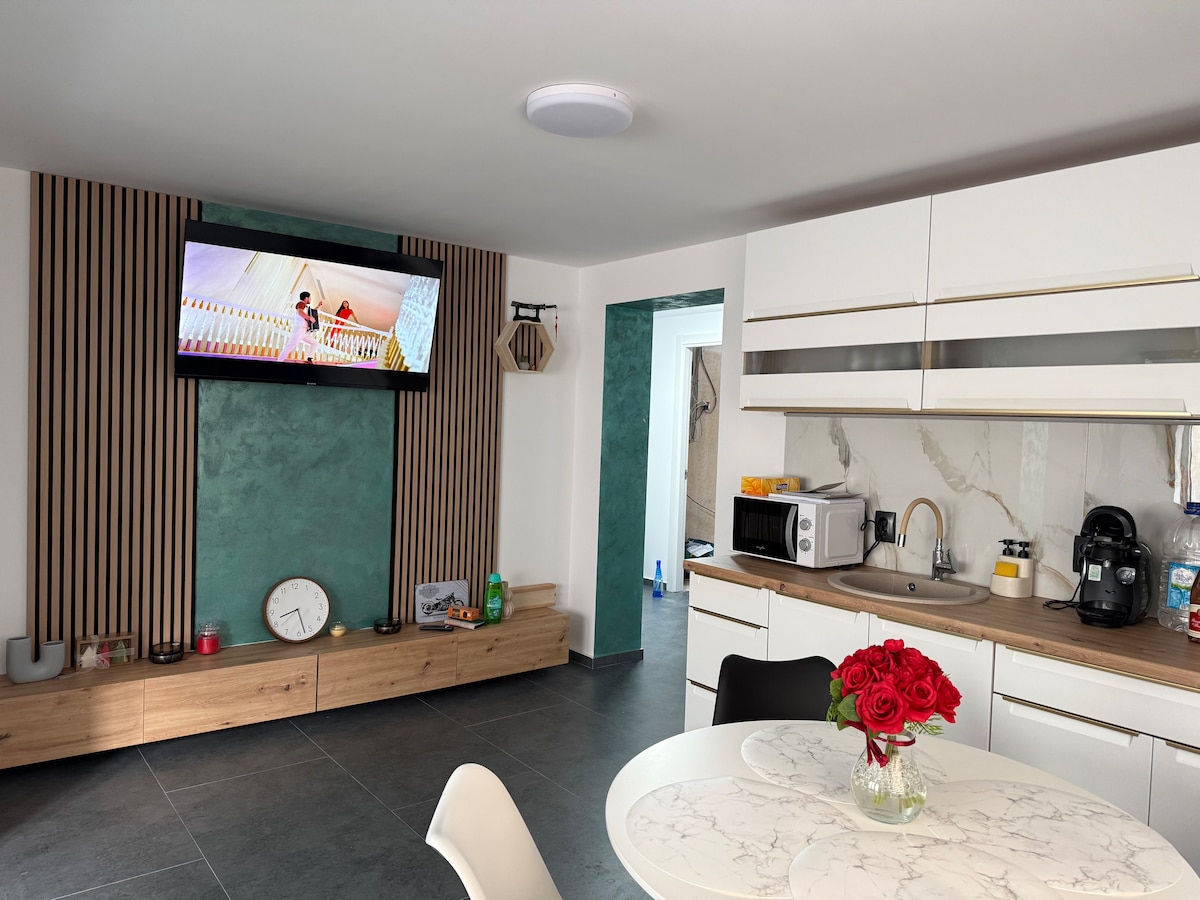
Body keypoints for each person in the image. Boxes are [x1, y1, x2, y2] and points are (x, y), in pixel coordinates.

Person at [277, 299, 319, 363]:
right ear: (306, 298)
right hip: (299, 330)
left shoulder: (306, 307)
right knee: (290, 346)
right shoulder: (301, 303)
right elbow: (300, 312)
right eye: (309, 298)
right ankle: (279, 361)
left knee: (314, 343)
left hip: (305, 331)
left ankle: (309, 359)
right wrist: (310, 318)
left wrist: (318, 306)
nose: (310, 299)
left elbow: (312, 312)